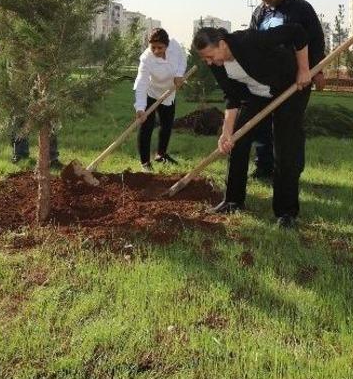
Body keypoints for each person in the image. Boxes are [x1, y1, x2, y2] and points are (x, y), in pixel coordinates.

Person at [193, 24, 312, 229]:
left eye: (209, 56)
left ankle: (286, 213)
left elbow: (297, 32)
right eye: (205, 59)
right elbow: (232, 97)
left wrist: (303, 69)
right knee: (237, 141)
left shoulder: (249, 40)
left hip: (289, 87)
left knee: (284, 148)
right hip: (255, 95)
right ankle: (233, 200)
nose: (208, 62)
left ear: (221, 44)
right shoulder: (217, 64)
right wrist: (226, 133)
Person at [247, 0, 327, 179]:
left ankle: (290, 171)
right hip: (266, 80)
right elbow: (253, 43)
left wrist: (315, 70)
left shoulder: (301, 8)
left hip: (297, 79)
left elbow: (316, 41)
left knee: (289, 126)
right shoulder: (259, 13)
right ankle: (264, 167)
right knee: (262, 123)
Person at [132, 27, 187, 171]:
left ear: (167, 45)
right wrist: (140, 108)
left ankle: (161, 155)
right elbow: (141, 83)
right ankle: (145, 163)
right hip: (152, 92)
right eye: (153, 47)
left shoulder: (175, 46)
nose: (156, 51)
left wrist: (180, 74)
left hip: (169, 92)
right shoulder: (146, 59)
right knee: (146, 126)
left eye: (160, 47)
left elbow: (182, 59)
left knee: (167, 125)